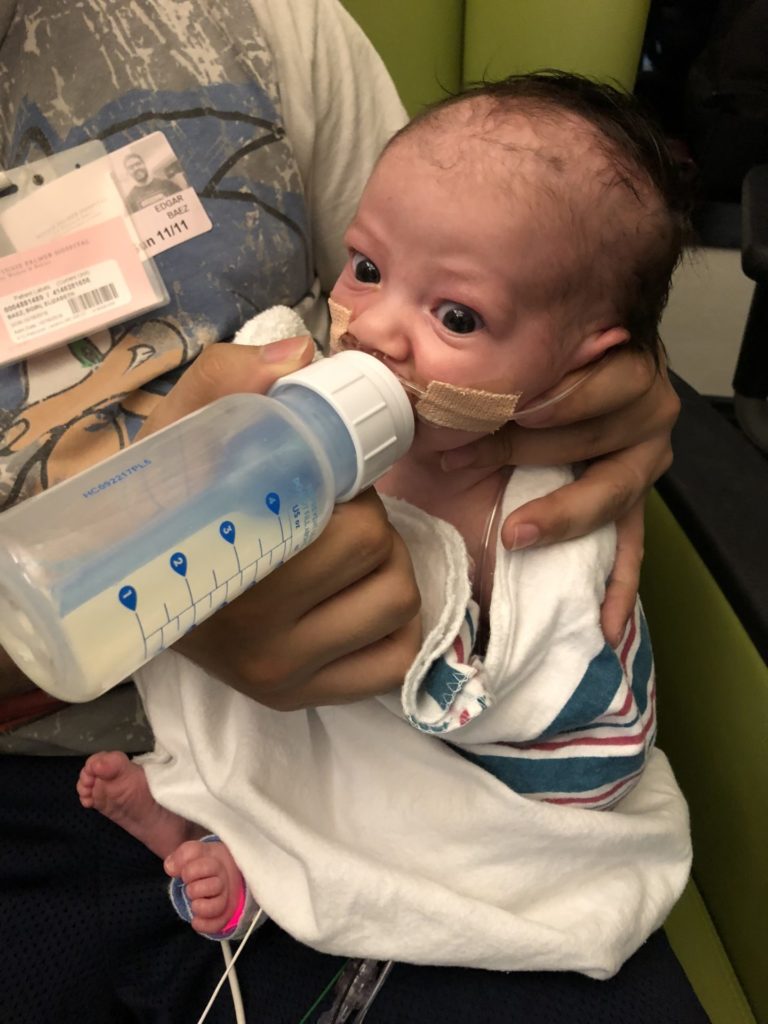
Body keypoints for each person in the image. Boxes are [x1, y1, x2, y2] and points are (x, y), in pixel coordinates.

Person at [0, 0, 691, 1021]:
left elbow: (517, 239)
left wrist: (612, 406)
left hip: (404, 810)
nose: (376, 331)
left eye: (451, 316)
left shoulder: (258, 25)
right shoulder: (314, 352)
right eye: (363, 272)